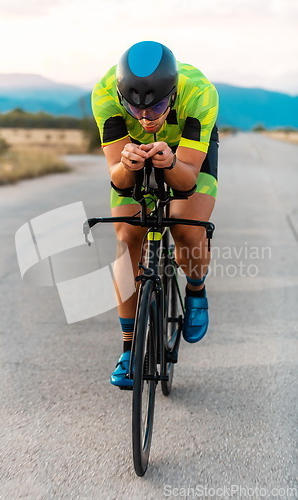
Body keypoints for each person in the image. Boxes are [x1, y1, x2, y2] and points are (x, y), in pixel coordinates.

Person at [91, 41, 219, 388]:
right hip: (130, 155)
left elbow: (189, 180)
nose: (146, 117)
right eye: (135, 109)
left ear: (173, 94)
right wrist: (126, 164)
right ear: (122, 96)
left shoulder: (200, 93)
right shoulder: (104, 93)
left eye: (157, 106)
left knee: (187, 229)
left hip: (187, 155)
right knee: (127, 237)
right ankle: (129, 351)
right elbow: (116, 178)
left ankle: (195, 287)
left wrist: (173, 162)